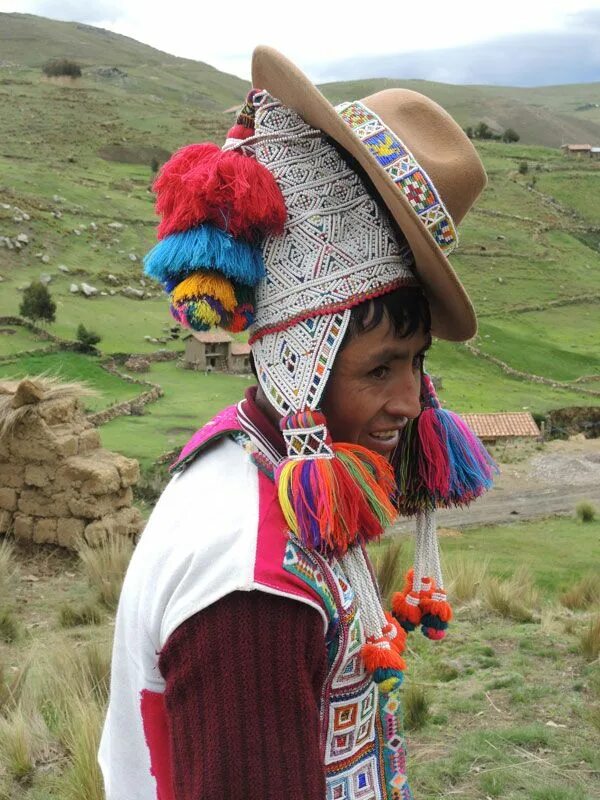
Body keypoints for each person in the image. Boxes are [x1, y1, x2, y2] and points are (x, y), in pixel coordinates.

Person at [99, 46, 496, 800]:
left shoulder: (248, 455)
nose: (412, 402)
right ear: (299, 363)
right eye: (380, 369)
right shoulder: (255, 586)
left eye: (416, 363)